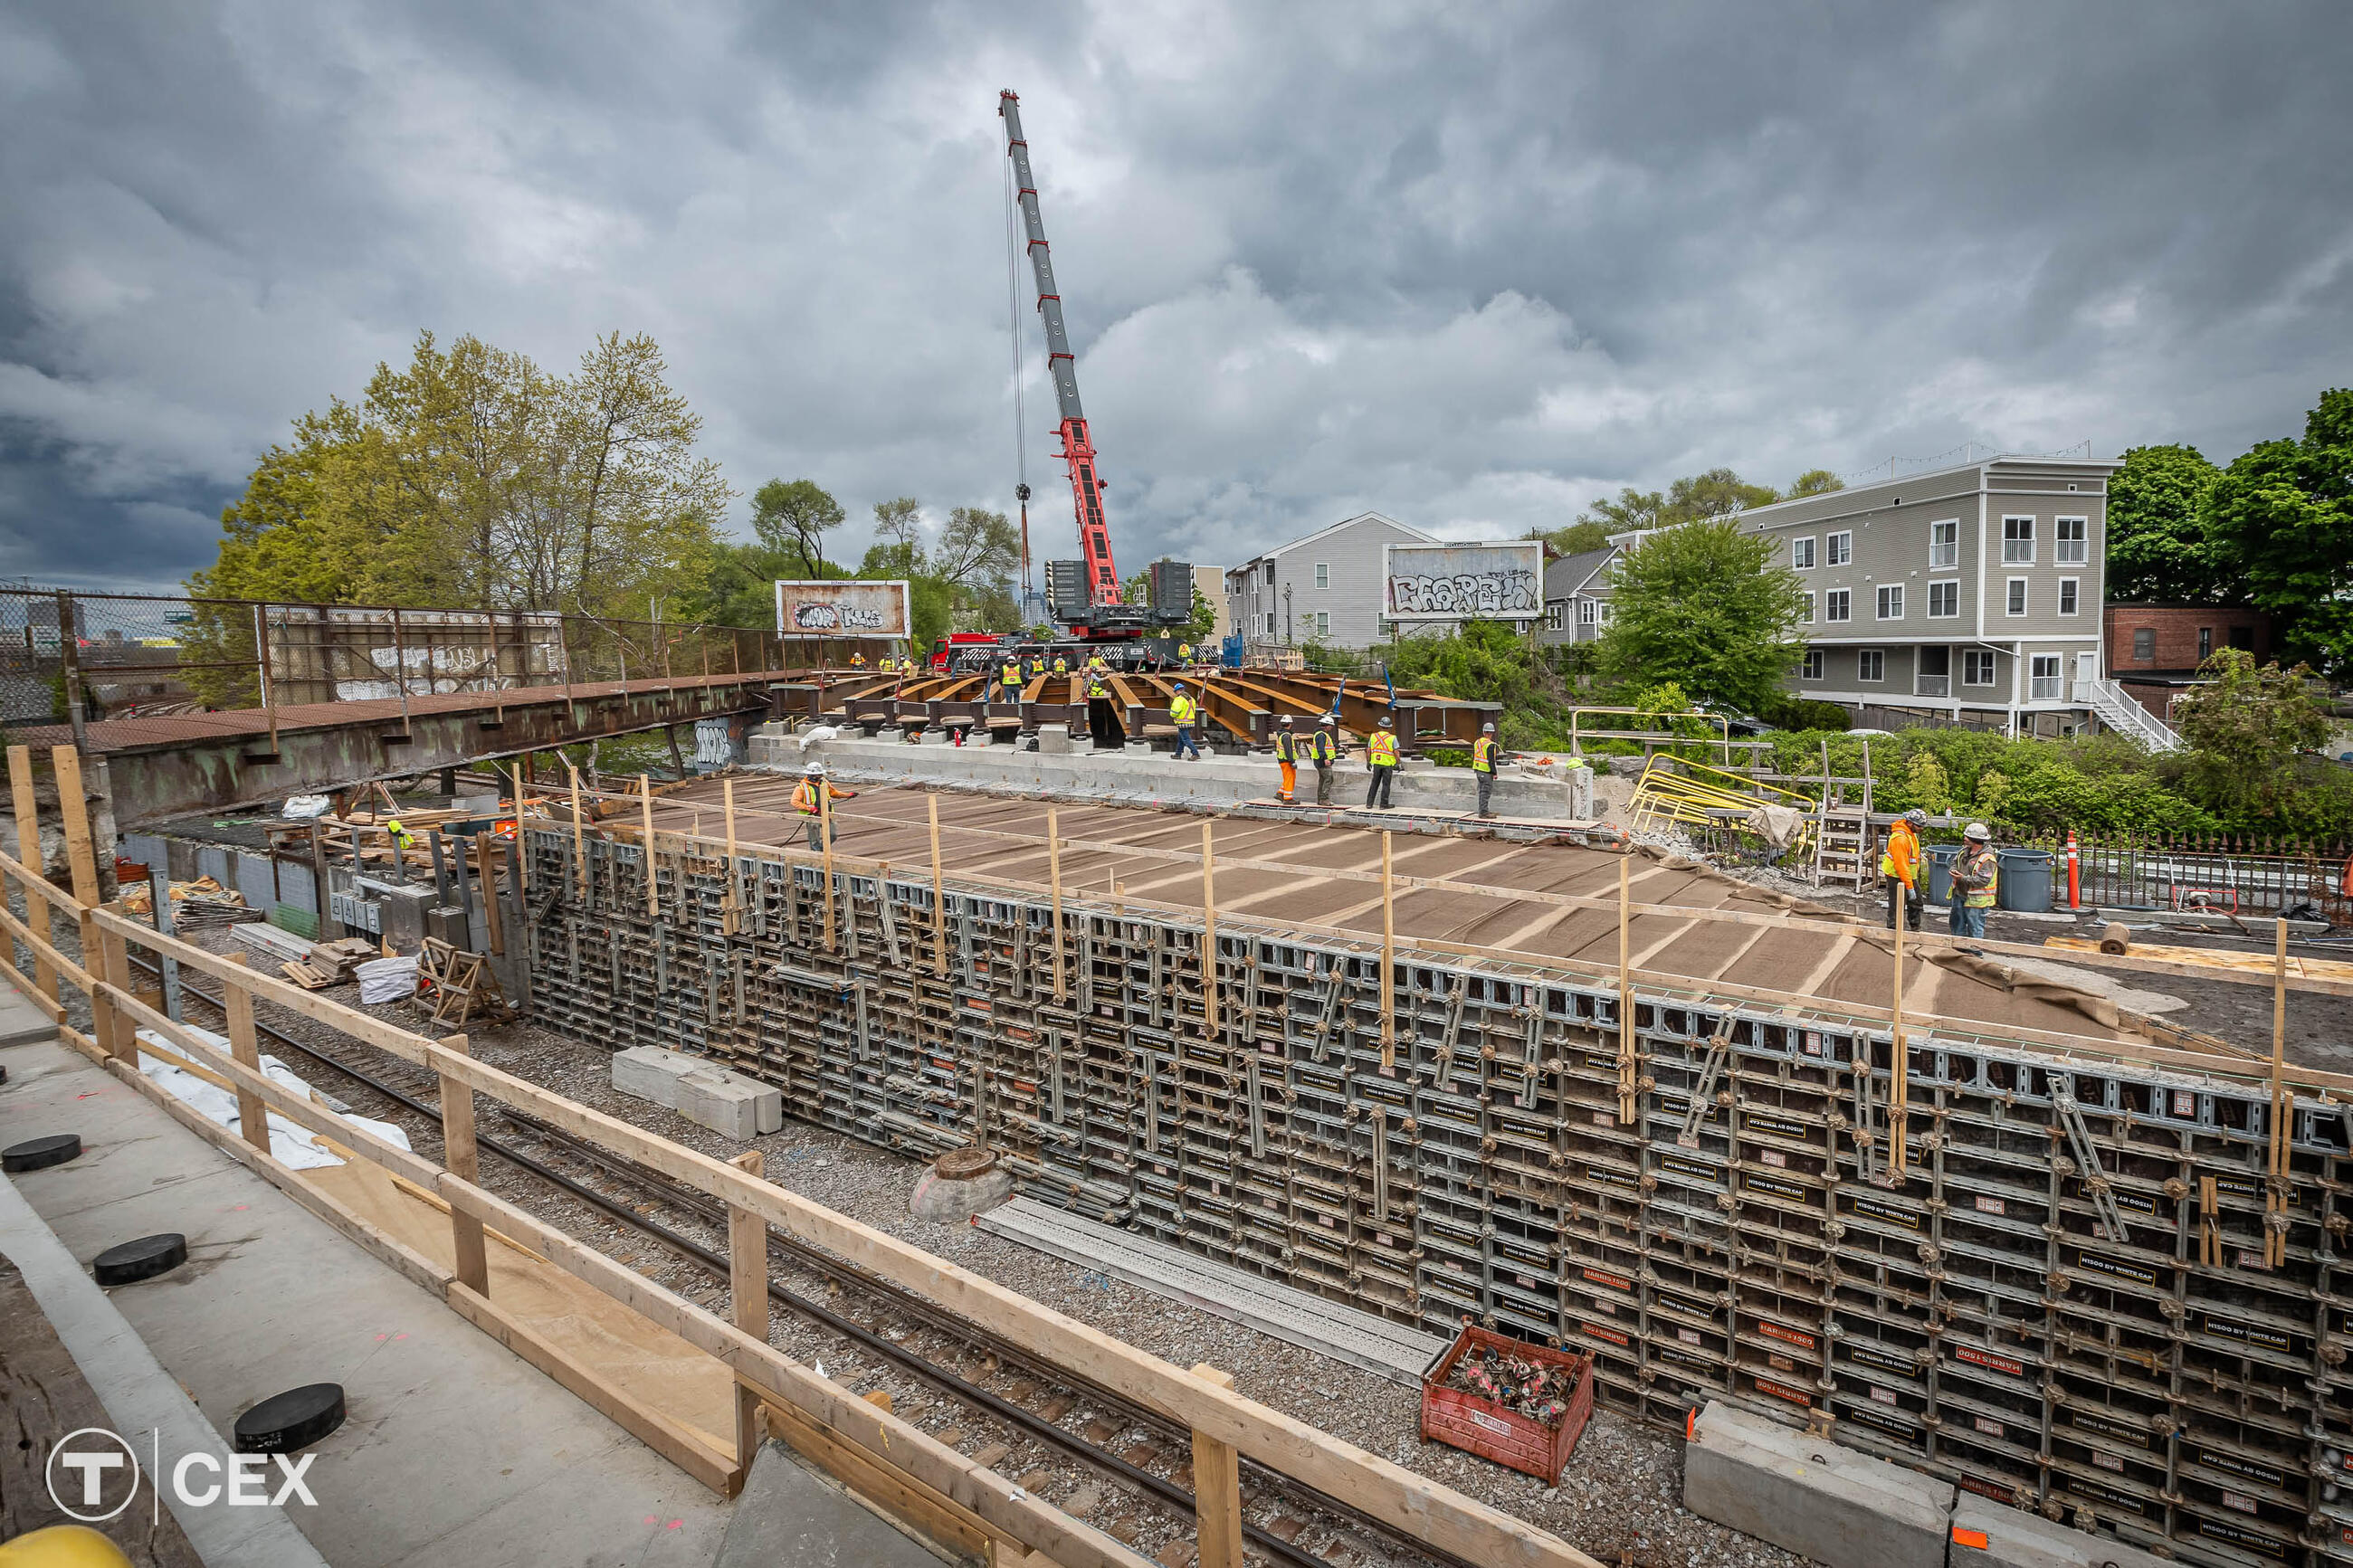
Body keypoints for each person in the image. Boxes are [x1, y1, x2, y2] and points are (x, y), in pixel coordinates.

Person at [791, 762, 856, 852]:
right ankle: (818, 858)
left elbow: (834, 793)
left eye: (820, 774)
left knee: (832, 835)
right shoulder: (801, 787)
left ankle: (821, 851)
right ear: (810, 775)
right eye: (817, 775)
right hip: (812, 816)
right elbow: (794, 802)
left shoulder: (824, 782)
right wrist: (810, 809)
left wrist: (848, 795)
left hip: (827, 814)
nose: (819, 777)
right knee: (814, 841)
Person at [1948, 822, 1998, 938]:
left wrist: (1962, 878)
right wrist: (1953, 870)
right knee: (1956, 925)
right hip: (1959, 894)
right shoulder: (1963, 851)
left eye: (1967, 837)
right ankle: (1958, 951)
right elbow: (1954, 862)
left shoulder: (1987, 859)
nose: (1964, 838)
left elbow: (1982, 880)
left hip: (1976, 900)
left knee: (1975, 928)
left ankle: (1974, 953)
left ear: (1975, 840)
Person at [1881, 808, 1927, 930]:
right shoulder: (1900, 839)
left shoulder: (1911, 834)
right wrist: (1909, 887)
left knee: (1916, 902)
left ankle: (1915, 927)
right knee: (1896, 904)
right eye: (1919, 826)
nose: (1922, 828)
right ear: (1910, 823)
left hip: (1909, 875)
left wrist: (1911, 884)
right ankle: (1893, 930)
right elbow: (1901, 865)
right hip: (1896, 875)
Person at [1365, 716, 1398, 807]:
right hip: (1387, 764)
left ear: (1380, 726)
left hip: (1376, 764)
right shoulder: (1392, 738)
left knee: (1374, 783)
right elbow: (1396, 752)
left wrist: (1368, 762)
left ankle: (1369, 804)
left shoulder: (1373, 736)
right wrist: (1398, 763)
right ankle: (1383, 804)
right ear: (1389, 727)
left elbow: (1368, 750)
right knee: (1386, 785)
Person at [1471, 722, 1500, 818]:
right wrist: (1494, 773)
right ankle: (1484, 813)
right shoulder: (1490, 745)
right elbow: (1491, 760)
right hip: (1486, 771)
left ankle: (1482, 811)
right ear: (1491, 733)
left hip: (1478, 770)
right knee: (1485, 792)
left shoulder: (1477, 742)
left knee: (1482, 792)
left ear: (1484, 732)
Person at [1310, 716, 1338, 805]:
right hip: (1322, 761)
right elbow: (1320, 748)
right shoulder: (1321, 735)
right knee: (1329, 778)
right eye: (1331, 725)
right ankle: (1324, 799)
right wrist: (1325, 758)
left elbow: (1328, 745)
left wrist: (1339, 746)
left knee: (1323, 780)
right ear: (1327, 726)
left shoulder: (1321, 734)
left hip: (1319, 761)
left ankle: (1320, 799)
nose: (1332, 727)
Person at [1169, 682, 1201, 760]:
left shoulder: (1179, 699)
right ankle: (1178, 754)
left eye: (1175, 692)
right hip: (1191, 722)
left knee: (1186, 740)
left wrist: (1172, 714)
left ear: (1177, 691)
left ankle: (1195, 753)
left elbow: (1174, 713)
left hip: (1182, 722)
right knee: (1181, 739)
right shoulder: (1191, 699)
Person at [1272, 717, 1298, 803]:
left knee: (1289, 778)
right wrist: (1292, 762)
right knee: (1289, 778)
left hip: (1283, 760)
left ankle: (1280, 793)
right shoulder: (1286, 736)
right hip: (1286, 760)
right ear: (1290, 724)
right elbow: (1288, 750)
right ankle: (1287, 798)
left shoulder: (1282, 734)